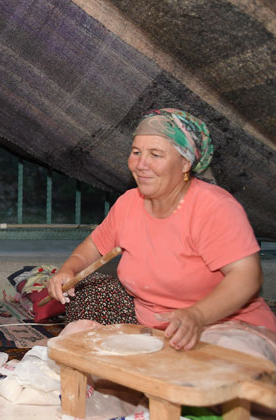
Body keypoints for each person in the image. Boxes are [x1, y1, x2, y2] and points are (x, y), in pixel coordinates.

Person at [47, 108, 276, 361]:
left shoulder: (214, 207)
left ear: (185, 163)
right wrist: (68, 269)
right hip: (156, 331)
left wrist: (197, 315)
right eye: (136, 152)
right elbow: (93, 245)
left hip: (225, 326)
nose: (141, 164)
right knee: (78, 339)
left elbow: (247, 276)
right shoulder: (129, 203)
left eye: (155, 154)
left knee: (203, 376)